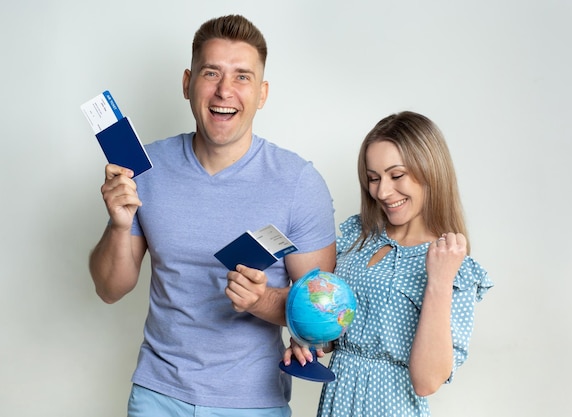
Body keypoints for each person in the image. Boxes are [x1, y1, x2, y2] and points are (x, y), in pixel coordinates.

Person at [89, 14, 336, 417]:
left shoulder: (299, 183)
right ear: (187, 83)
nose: (225, 90)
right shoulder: (144, 169)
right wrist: (119, 225)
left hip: (253, 402)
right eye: (211, 73)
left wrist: (261, 300)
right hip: (158, 394)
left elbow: (322, 320)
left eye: (242, 76)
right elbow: (109, 289)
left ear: (262, 93)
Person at [283, 111, 493, 417]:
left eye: (397, 175)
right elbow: (335, 329)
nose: (382, 191)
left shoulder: (452, 265)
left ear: (430, 171)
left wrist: (439, 280)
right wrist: (310, 341)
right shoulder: (359, 239)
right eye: (373, 178)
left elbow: (427, 381)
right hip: (337, 401)